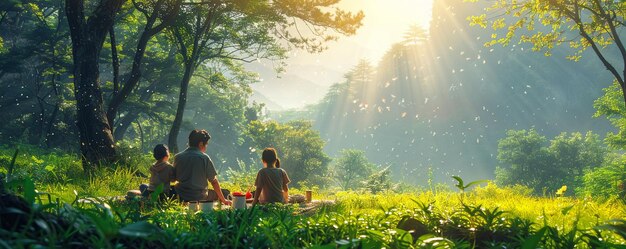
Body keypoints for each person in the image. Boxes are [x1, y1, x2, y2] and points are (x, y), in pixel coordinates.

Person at [174, 129, 231, 206]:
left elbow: (174, 178)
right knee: (225, 192)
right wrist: (223, 200)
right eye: (206, 144)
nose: (206, 147)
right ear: (201, 144)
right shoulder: (204, 158)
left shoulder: (178, 157)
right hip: (199, 196)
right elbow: (213, 181)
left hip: (181, 195)